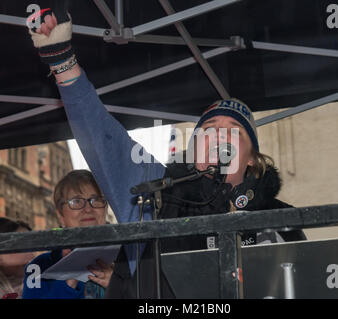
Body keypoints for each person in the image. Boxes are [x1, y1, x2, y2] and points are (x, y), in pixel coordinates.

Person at [27, 3, 306, 298]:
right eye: (209, 129)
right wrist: (63, 63)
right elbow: (105, 142)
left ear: (252, 159)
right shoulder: (158, 196)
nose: (220, 133)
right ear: (194, 149)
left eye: (234, 131)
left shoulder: (281, 219)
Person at [22, 170, 114, 299]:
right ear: (60, 215)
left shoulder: (132, 256)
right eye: (76, 202)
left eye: (96, 200)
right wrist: (68, 281)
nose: (88, 209)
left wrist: (119, 287)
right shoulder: (39, 268)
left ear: (105, 208)